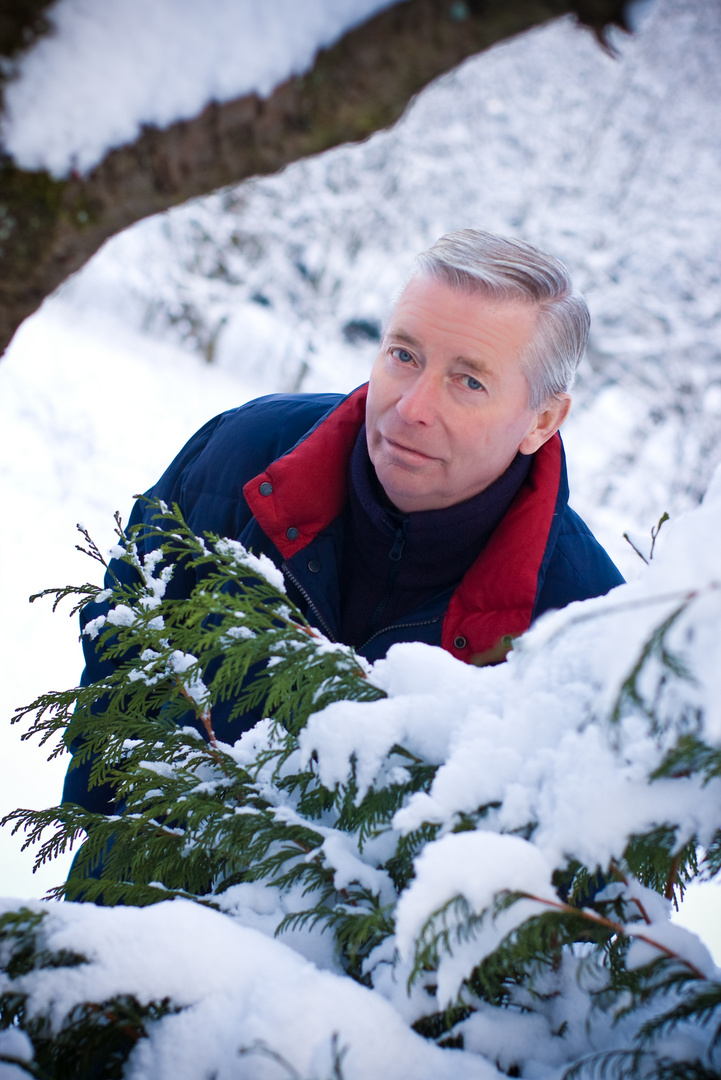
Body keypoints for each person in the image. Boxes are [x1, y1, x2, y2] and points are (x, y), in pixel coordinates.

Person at [64, 229, 623, 813]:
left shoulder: (582, 627)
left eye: (469, 381)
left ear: (542, 420)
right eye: (403, 355)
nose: (411, 409)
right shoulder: (242, 456)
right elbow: (119, 671)